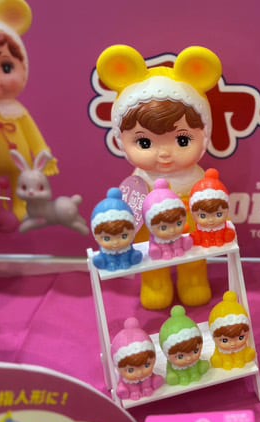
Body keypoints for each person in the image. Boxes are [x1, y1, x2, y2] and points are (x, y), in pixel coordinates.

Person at [95, 44, 222, 308]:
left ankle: (193, 279)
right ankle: (155, 282)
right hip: (149, 225)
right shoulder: (138, 183)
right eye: (145, 143)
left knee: (194, 253)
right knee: (150, 255)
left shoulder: (197, 178)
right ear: (121, 141)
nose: (164, 153)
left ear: (204, 136)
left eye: (182, 140)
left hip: (189, 217)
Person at [0, 0, 58, 221]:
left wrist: (45, 154)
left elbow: (34, 136)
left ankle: (20, 204)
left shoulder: (18, 112)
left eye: (6, 67)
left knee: (21, 181)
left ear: (23, 69)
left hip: (19, 163)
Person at [111, 317, 164, 400]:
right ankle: (129, 390)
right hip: (129, 385)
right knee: (130, 384)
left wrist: (147, 387)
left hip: (148, 381)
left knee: (148, 379)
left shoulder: (146, 374)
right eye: (130, 370)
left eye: (147, 365)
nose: (140, 373)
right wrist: (134, 392)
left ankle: (149, 385)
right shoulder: (128, 378)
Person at [91, 188, 142, 271]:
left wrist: (125, 261)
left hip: (127, 255)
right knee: (108, 257)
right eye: (107, 238)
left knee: (126, 254)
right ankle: (110, 262)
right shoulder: (106, 250)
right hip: (107, 258)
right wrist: (111, 263)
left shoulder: (127, 247)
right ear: (96, 236)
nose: (115, 242)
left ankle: (126, 260)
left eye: (124, 236)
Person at [142, 178, 192, 260]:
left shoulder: (177, 235)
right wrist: (155, 249)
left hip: (179, 247)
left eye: (178, 224)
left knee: (179, 241)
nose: (172, 230)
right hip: (162, 250)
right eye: (163, 227)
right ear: (150, 227)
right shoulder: (157, 239)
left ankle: (179, 247)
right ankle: (163, 251)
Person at [159, 305, 209, 386]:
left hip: (195, 368)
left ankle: (195, 372)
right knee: (175, 376)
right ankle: (181, 377)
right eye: (180, 356)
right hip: (178, 373)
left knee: (196, 368)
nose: (189, 358)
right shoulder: (174, 365)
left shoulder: (194, 361)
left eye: (195, 351)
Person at [208, 291, 256, 370]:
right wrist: (227, 362)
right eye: (225, 340)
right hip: (223, 356)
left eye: (240, 338)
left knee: (241, 353)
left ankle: (240, 359)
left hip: (241, 353)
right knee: (222, 357)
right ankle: (226, 361)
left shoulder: (241, 346)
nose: (233, 344)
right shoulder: (221, 349)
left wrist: (239, 360)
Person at [189, 168, 236, 247]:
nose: (211, 220)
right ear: (193, 214)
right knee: (204, 235)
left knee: (219, 233)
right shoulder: (201, 227)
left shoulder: (221, 225)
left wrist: (219, 238)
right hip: (203, 240)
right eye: (203, 216)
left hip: (221, 238)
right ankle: (206, 240)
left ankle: (218, 239)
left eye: (218, 214)